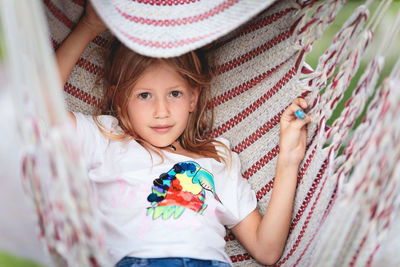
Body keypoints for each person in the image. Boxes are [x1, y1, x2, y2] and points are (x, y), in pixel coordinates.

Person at [55, 3, 311, 267]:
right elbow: (38, 111)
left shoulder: (218, 157)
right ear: (119, 101)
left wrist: (288, 160)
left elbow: (266, 249)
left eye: (174, 94)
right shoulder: (106, 139)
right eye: (144, 96)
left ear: (193, 98)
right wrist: (89, 27)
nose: (161, 111)